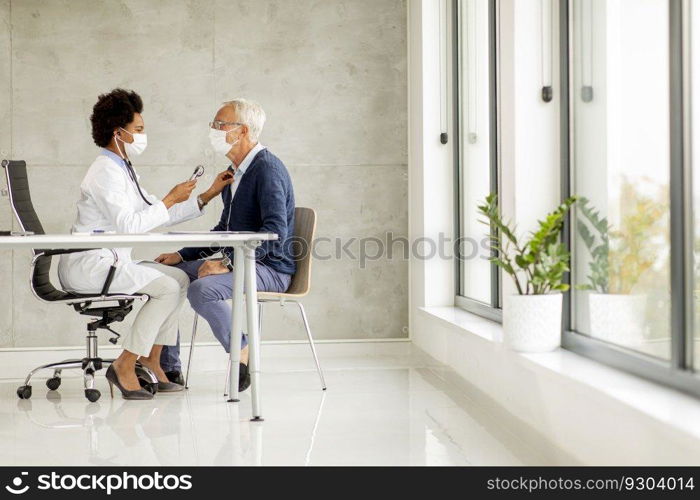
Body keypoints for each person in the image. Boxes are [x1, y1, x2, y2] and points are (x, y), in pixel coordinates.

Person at [58, 89, 234, 400]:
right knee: (166, 288)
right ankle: (125, 364)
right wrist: (168, 199)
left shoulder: (124, 170)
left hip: (110, 262)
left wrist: (206, 195)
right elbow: (130, 226)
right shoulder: (104, 173)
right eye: (138, 130)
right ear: (119, 133)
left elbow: (156, 214)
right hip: (90, 266)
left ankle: (152, 358)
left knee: (179, 278)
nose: (143, 135)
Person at [155, 98, 296, 392]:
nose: (214, 129)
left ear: (242, 131)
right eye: (214, 124)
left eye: (220, 124)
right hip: (246, 263)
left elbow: (275, 233)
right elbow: (224, 231)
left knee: (202, 289)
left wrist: (227, 264)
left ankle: (242, 353)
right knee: (164, 277)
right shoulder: (237, 173)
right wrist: (181, 256)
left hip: (271, 268)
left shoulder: (266, 169)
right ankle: (167, 368)